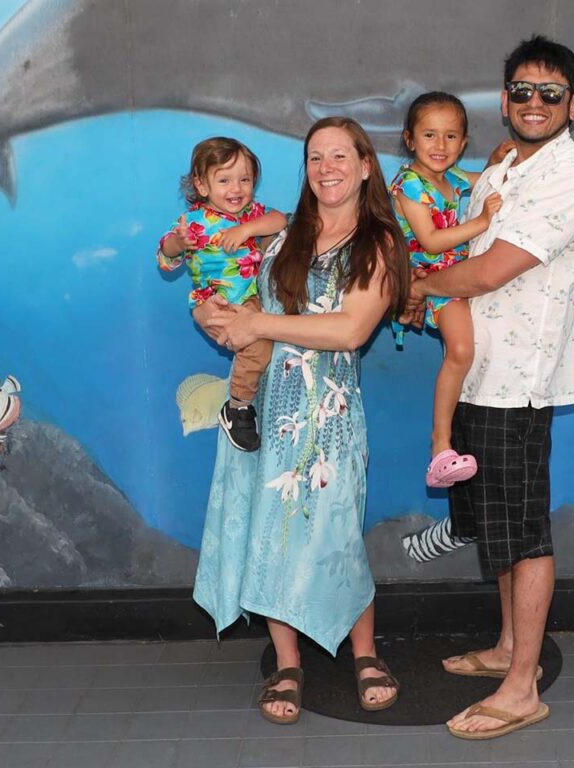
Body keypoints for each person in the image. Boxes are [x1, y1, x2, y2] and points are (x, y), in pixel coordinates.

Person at [403, 36, 574, 739]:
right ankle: (506, 649)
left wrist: (420, 285)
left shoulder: (571, 179)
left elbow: (490, 269)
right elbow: (458, 238)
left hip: (518, 382)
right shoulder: (501, 172)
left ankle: (523, 688)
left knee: (524, 534)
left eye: (550, 93)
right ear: (504, 100)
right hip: (475, 375)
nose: (533, 103)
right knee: (495, 522)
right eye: (521, 90)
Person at [191, 117, 410, 724]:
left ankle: (364, 653)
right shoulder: (280, 237)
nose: (327, 168)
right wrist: (220, 316)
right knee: (267, 531)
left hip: (329, 417)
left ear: (366, 166)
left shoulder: (380, 243)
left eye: (340, 155)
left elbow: (349, 329)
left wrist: (258, 326)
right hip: (260, 412)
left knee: (335, 533)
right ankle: (286, 662)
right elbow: (235, 299)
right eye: (315, 157)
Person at [388, 92, 504, 487]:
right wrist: (482, 221)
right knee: (460, 350)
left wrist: (504, 163)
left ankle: (460, 439)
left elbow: (487, 180)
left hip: (458, 275)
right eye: (430, 135)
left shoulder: (452, 177)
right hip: (431, 280)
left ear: (464, 142)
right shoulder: (409, 184)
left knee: (479, 350)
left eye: (451, 137)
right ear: (410, 139)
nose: (440, 146)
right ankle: (440, 447)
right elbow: (432, 241)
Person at [158, 137, 287, 451]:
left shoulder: (251, 213)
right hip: (217, 302)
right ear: (202, 186)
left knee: (266, 343)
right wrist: (179, 243)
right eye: (225, 180)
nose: (236, 189)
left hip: (253, 298)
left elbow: (280, 219)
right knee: (257, 347)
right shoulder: (195, 222)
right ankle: (238, 407)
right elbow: (165, 257)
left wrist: (246, 230)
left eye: (245, 180)